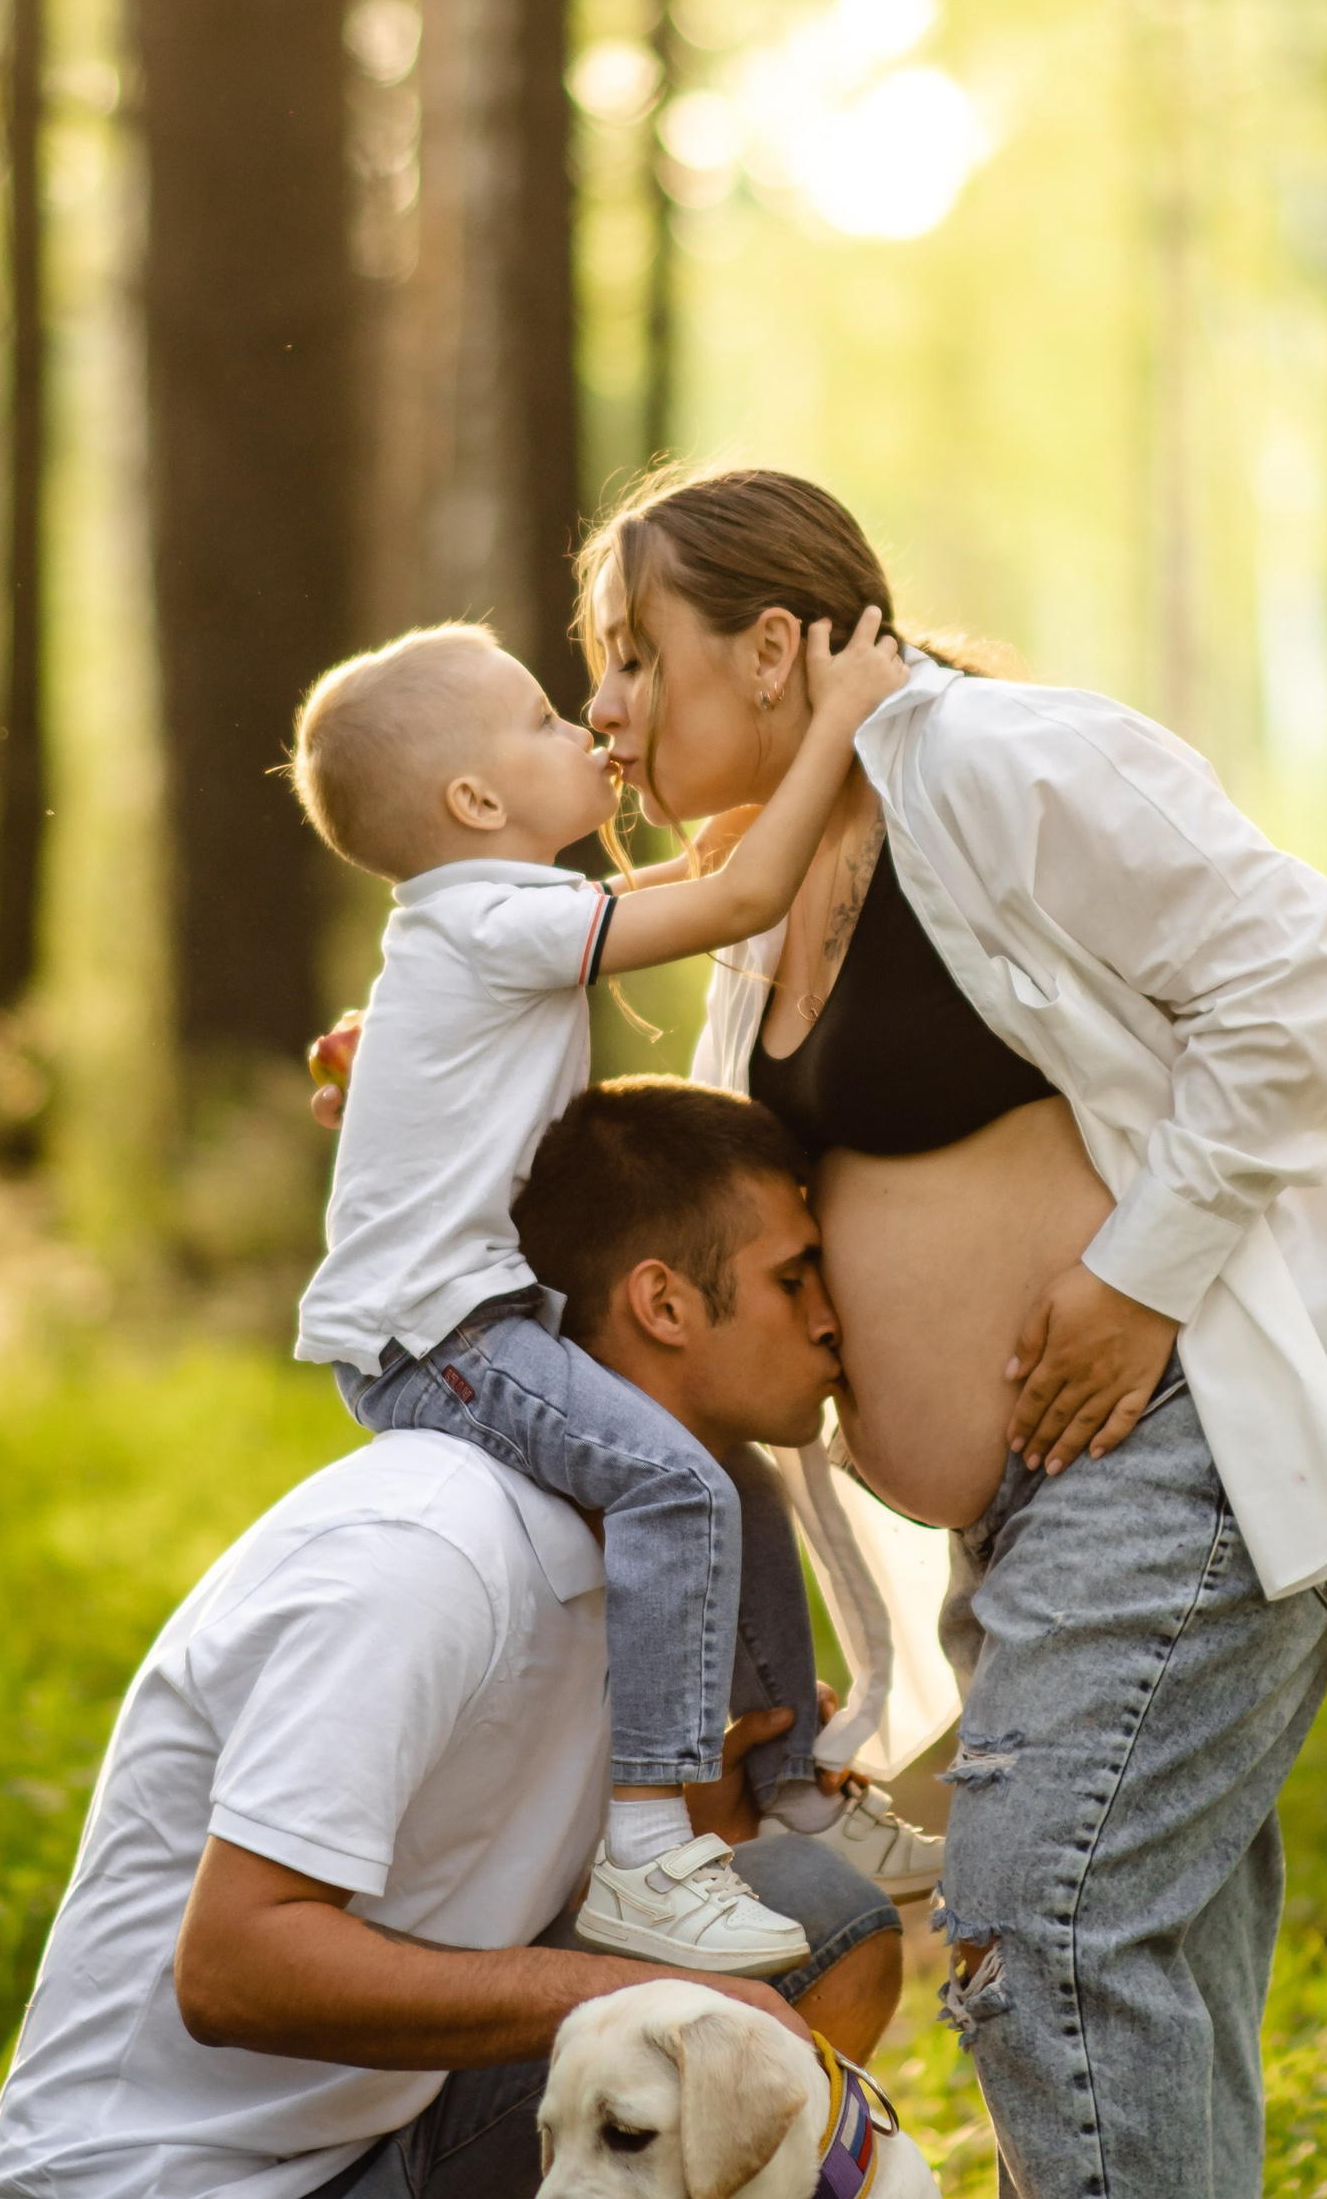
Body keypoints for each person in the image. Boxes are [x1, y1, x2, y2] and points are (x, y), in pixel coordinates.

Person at [575, 464, 1327, 2199]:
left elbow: (1292, 985)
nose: (609, 707)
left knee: (1045, 1928)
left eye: (632, 655)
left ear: (775, 647)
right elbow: (713, 1210)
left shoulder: (1011, 763)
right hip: (1025, 1525)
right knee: (1138, 1948)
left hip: (1174, 1454)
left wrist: (1140, 1281)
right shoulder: (770, 894)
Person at [0, 1082, 905, 2199]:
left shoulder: (680, 1536)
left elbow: (704, 1896)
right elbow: (236, 1963)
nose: (838, 1313)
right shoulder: (425, 1553)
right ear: (664, 1304)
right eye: (799, 1271)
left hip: (380, 2135)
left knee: (813, 1930)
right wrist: (604, 1999)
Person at [286, 607, 935, 1977]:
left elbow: (701, 873)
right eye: (536, 719)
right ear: (475, 801)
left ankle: (798, 1791)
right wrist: (842, 718)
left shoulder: (470, 918)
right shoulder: (506, 917)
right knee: (675, 1488)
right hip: (445, 1342)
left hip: (466, 1319)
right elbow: (740, 899)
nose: (579, 721)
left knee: (734, 1470)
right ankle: (648, 1846)